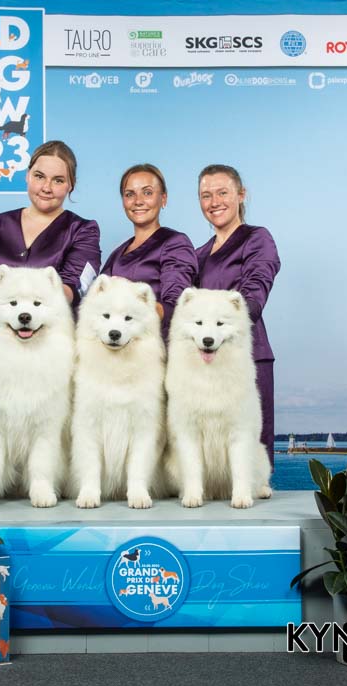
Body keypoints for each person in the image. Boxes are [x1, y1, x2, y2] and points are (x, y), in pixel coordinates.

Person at [195, 164, 280, 467]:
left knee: (250, 460)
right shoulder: (197, 255)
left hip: (247, 360)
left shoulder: (258, 239)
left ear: (241, 195)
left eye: (222, 193)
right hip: (203, 366)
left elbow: (254, 295)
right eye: (206, 195)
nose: (214, 202)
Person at [0, 140, 101, 305]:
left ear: (71, 185)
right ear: (27, 175)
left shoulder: (83, 230)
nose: (46, 188)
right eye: (39, 176)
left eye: (58, 180)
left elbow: (75, 287)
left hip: (56, 321)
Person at [101, 164, 197, 338]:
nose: (138, 201)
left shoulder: (175, 243)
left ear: (163, 198)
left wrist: (133, 299)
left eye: (147, 192)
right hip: (115, 346)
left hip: (154, 347)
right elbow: (96, 301)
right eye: (129, 194)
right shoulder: (118, 253)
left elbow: (176, 306)